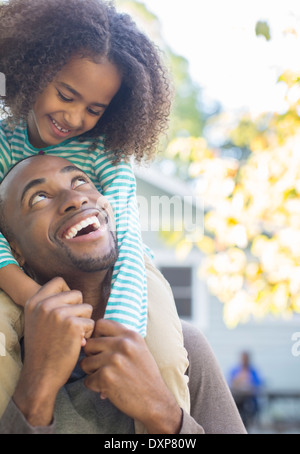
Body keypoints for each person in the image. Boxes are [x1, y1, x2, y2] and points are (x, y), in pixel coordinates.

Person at [0, 155, 247, 434]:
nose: (75, 199)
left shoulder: (183, 349)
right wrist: (37, 386)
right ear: (14, 251)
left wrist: (163, 413)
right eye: (38, 197)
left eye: (80, 181)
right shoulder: (6, 362)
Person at [0, 0, 172, 337]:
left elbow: (126, 236)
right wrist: (28, 294)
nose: (75, 118)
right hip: (26, 273)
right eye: (65, 96)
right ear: (31, 71)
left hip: (125, 276)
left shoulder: (104, 151)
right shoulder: (4, 143)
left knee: (163, 357)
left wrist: (120, 331)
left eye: (94, 109)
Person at [228, 351, 264, 428]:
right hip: (237, 399)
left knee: (248, 413)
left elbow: (259, 384)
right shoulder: (236, 370)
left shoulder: (253, 371)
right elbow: (230, 382)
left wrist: (249, 381)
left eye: (246, 359)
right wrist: (238, 380)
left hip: (250, 400)